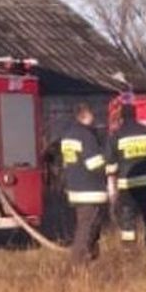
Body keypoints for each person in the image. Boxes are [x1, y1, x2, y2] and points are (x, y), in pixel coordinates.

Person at [105, 99, 146, 252]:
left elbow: (110, 165)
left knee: (127, 216)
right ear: (135, 115)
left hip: (127, 185)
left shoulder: (116, 136)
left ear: (121, 117)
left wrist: (114, 178)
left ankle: (129, 250)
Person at [60, 102, 109, 264]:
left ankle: (90, 258)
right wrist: (109, 166)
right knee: (87, 228)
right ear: (86, 115)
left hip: (75, 188)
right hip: (90, 189)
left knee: (85, 225)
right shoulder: (86, 136)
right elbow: (94, 164)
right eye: (91, 114)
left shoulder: (67, 136)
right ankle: (79, 262)